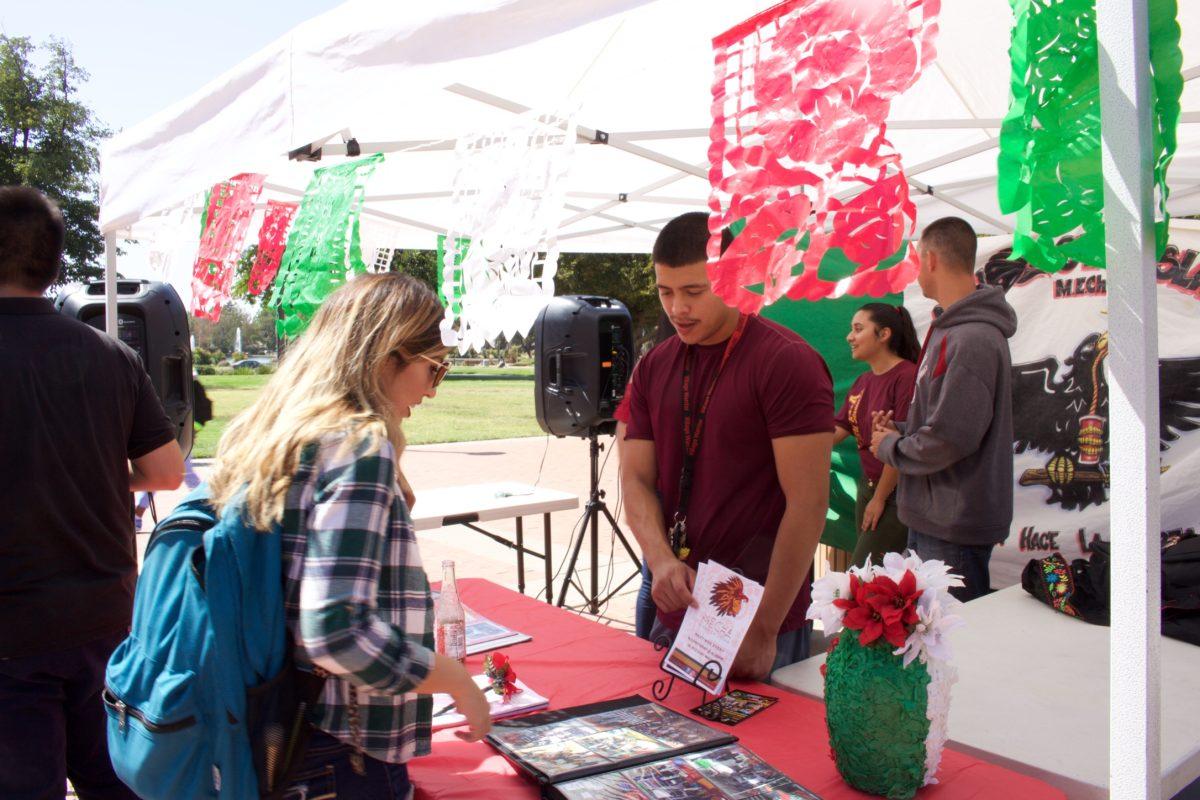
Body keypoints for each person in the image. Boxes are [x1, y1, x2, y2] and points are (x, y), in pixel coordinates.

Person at [207, 273, 490, 799]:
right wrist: (454, 679)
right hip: (346, 749)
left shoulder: (287, 434)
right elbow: (335, 629)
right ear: (388, 357)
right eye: (434, 369)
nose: (431, 389)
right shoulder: (358, 444)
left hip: (287, 725)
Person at [0, 186, 184, 800]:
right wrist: (102, 471)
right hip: (105, 620)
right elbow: (165, 472)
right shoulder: (111, 355)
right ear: (54, 263)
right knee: (120, 786)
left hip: (12, 636)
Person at [620, 212, 834, 679]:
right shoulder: (655, 366)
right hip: (679, 605)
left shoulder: (785, 362)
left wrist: (765, 628)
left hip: (761, 613)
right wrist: (659, 559)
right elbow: (634, 478)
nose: (677, 308)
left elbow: (809, 502)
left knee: (772, 748)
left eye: (694, 291)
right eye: (665, 291)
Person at [870, 217, 1017, 601]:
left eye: (916, 260)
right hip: (934, 516)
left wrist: (890, 448)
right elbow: (943, 418)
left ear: (930, 260)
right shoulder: (952, 329)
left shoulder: (972, 338)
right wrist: (900, 429)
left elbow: (951, 438)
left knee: (953, 647)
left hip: (953, 524)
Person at [833, 303, 919, 567]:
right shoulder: (863, 382)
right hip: (867, 487)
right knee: (871, 575)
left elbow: (901, 446)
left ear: (884, 335)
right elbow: (837, 430)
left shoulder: (906, 377)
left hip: (894, 493)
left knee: (861, 574)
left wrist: (880, 498)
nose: (850, 337)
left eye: (858, 329)